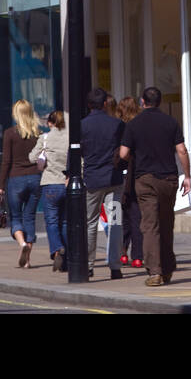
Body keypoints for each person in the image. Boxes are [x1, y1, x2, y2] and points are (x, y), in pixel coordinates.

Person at [118, 86, 191, 287]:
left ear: (143, 101)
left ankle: (154, 272)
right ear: (159, 101)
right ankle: (167, 269)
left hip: (145, 179)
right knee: (167, 223)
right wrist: (188, 176)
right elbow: (182, 150)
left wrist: (135, 153)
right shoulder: (171, 122)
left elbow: (123, 154)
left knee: (150, 225)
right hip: (168, 179)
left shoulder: (134, 124)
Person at [80, 87, 125, 279]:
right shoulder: (117, 124)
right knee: (115, 222)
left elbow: (76, 151)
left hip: (92, 180)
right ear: (105, 103)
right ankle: (115, 267)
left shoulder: (82, 125)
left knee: (90, 223)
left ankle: (89, 265)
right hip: (114, 179)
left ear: (89, 105)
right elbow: (125, 152)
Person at [0, 100, 43, 269]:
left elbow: (6, 161)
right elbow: (41, 159)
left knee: (16, 217)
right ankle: (28, 260)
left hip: (15, 179)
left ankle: (22, 244)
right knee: (29, 218)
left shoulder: (10, 133)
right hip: (35, 178)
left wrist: (1, 184)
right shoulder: (38, 134)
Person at [30, 110, 69, 271]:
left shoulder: (45, 138)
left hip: (50, 184)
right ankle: (67, 255)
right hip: (66, 183)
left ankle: (57, 249)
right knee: (65, 221)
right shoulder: (70, 138)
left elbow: (32, 157)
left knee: (52, 221)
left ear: (50, 123)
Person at [117, 96, 144, 268]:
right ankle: (137, 257)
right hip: (136, 174)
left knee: (123, 218)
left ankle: (123, 253)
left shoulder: (119, 127)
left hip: (121, 175)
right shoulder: (139, 126)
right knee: (136, 217)